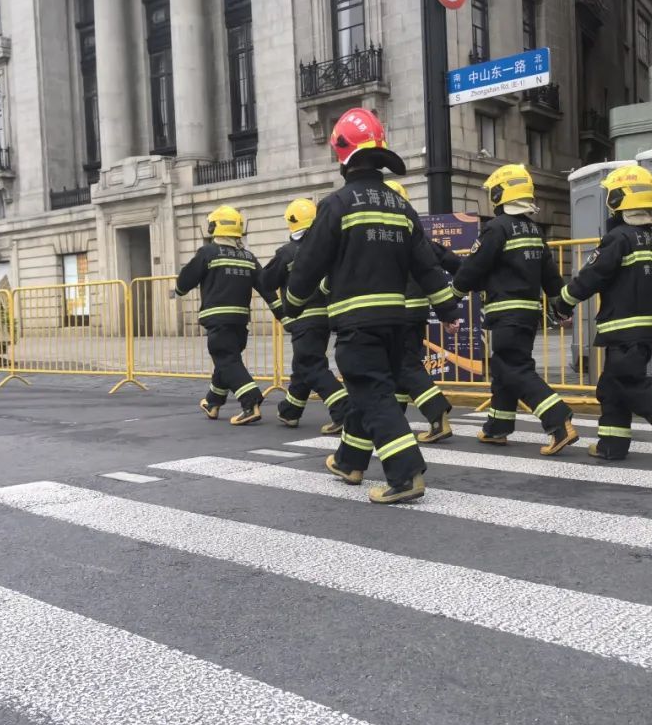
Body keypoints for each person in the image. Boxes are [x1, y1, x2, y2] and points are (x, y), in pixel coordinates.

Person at [284, 107, 460, 504]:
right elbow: (426, 265)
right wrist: (449, 310)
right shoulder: (400, 206)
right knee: (371, 388)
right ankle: (349, 462)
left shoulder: (337, 203)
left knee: (372, 392)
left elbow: (309, 262)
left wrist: (292, 304)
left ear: (342, 153)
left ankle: (406, 473)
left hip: (357, 322)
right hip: (397, 321)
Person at [552, 165, 652, 465]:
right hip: (641, 331)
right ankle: (612, 445)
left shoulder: (618, 238)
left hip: (621, 329)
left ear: (617, 200)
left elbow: (592, 275)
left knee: (631, 385)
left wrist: (563, 302)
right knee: (611, 387)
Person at [451, 164, 579, 456]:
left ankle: (558, 419)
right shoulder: (534, 230)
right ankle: (497, 428)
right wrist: (561, 306)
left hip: (506, 313)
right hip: (528, 314)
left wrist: (452, 296)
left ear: (499, 195)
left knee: (513, 368)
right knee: (505, 368)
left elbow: (473, 267)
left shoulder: (496, 228)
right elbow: (551, 275)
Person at [259, 198, 348, 434]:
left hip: (302, 318)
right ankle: (290, 411)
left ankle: (343, 410)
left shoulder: (287, 252)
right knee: (303, 365)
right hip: (325, 317)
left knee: (312, 366)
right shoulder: (327, 249)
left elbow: (267, 281)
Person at [385, 179, 460, 444]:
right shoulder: (415, 236)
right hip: (417, 312)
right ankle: (394, 420)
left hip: (396, 312)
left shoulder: (380, 240)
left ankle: (437, 415)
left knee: (406, 365)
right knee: (400, 366)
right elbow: (449, 260)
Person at [174, 205, 263, 426]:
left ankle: (250, 402)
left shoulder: (208, 252)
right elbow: (266, 286)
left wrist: (179, 290)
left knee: (226, 360)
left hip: (218, 321)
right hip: (240, 322)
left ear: (215, 227)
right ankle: (213, 402)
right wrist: (283, 313)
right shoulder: (248, 257)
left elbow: (186, 280)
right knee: (227, 360)